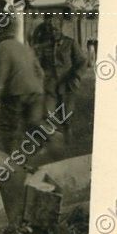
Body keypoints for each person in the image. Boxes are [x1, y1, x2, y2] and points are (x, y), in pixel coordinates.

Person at [0, 24, 50, 221]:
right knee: (33, 123)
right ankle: (45, 145)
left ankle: (11, 164)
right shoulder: (25, 47)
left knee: (7, 127)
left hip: (15, 93)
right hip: (35, 90)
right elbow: (40, 73)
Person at [30, 16, 86, 148]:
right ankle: (50, 147)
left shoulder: (71, 43)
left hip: (67, 86)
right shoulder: (45, 45)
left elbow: (82, 62)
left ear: (60, 29)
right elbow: (38, 63)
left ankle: (68, 146)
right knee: (47, 115)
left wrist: (75, 77)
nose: (52, 32)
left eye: (55, 29)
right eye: (49, 29)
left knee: (66, 117)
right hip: (50, 86)